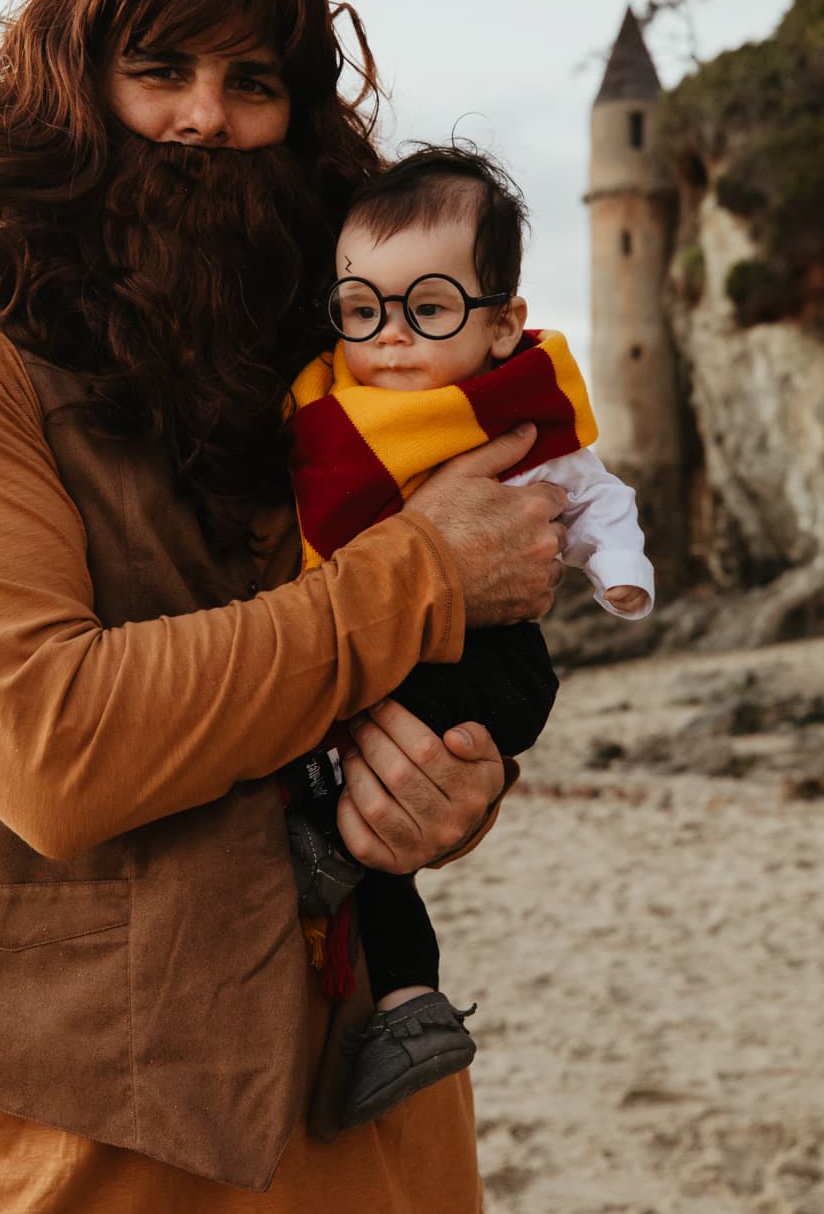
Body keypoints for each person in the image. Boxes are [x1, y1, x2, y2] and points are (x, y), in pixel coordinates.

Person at [0, 0, 570, 1212]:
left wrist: (450, 787)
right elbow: (58, 746)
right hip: (77, 1149)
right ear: (65, 90)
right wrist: (426, 574)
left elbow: (428, 678)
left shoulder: (326, 379)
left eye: (251, 81)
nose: (204, 115)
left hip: (375, 1110)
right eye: (158, 68)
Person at [280, 145, 654, 1128]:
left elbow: (591, 494)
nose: (391, 339)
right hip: (370, 657)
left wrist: (618, 569)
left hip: (484, 666)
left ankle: (330, 857)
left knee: (368, 794)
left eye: (430, 308)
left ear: (503, 325)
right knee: (381, 817)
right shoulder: (323, 406)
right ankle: (411, 1004)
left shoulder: (519, 418)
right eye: (363, 311)